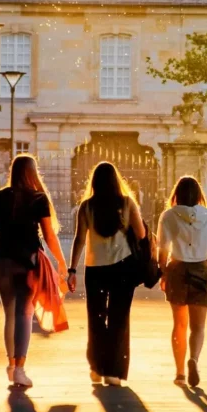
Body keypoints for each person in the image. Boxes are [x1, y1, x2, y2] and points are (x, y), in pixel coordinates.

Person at [0, 154, 69, 388]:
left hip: (3, 261)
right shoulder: (38, 198)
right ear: (32, 172)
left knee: (10, 314)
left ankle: (11, 365)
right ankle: (19, 368)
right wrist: (61, 262)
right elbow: (49, 236)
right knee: (24, 314)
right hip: (28, 262)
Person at [68, 161, 146, 386]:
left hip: (95, 269)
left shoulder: (86, 207)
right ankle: (114, 372)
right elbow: (141, 235)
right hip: (122, 266)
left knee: (96, 318)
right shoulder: (127, 203)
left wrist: (72, 269)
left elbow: (80, 239)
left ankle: (96, 367)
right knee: (119, 319)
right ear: (116, 180)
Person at [157, 176, 207, 387]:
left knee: (179, 324)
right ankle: (193, 359)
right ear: (199, 194)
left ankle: (179, 374)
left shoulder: (169, 215)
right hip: (201, 268)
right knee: (198, 326)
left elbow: (163, 247)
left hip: (177, 267)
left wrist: (163, 272)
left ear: (177, 194)